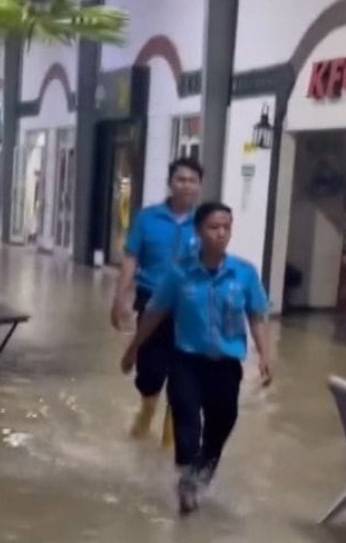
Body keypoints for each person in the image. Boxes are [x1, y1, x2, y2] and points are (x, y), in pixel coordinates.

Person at [120, 201, 273, 515]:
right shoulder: (180, 274)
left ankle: (204, 468)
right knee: (187, 421)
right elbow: (155, 312)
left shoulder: (243, 273)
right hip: (187, 361)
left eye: (226, 227)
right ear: (199, 231)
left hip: (226, 366)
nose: (220, 234)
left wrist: (265, 354)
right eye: (213, 227)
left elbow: (257, 315)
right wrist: (134, 347)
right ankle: (187, 480)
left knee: (223, 422)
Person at [111, 156, 204, 443]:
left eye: (193, 181)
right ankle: (148, 407)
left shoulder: (205, 223)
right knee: (150, 371)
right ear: (170, 183)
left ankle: (170, 438)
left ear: (200, 186)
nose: (186, 186)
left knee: (184, 375)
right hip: (151, 301)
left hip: (189, 308)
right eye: (181, 179)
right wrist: (120, 298)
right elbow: (130, 259)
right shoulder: (147, 218)